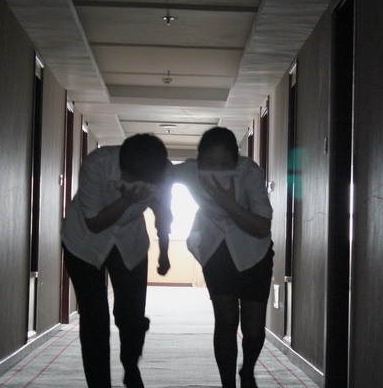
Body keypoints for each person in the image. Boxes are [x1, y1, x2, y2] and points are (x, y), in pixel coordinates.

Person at [61, 133, 172, 388]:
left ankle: (131, 366)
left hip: (130, 241)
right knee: (94, 319)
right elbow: (95, 223)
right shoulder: (96, 165)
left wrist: (164, 251)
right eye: (136, 179)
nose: (145, 184)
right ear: (124, 169)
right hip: (84, 243)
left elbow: (162, 211)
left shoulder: (163, 171)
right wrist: (127, 199)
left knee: (132, 315)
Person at [174, 127, 274, 388]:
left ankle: (247, 370)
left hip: (254, 251)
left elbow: (262, 226)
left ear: (236, 161)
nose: (216, 170)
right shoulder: (190, 171)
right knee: (226, 321)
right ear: (199, 160)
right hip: (215, 249)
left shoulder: (249, 173)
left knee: (253, 331)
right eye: (209, 163)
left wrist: (230, 204)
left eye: (224, 164)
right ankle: (227, 384)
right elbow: (155, 172)